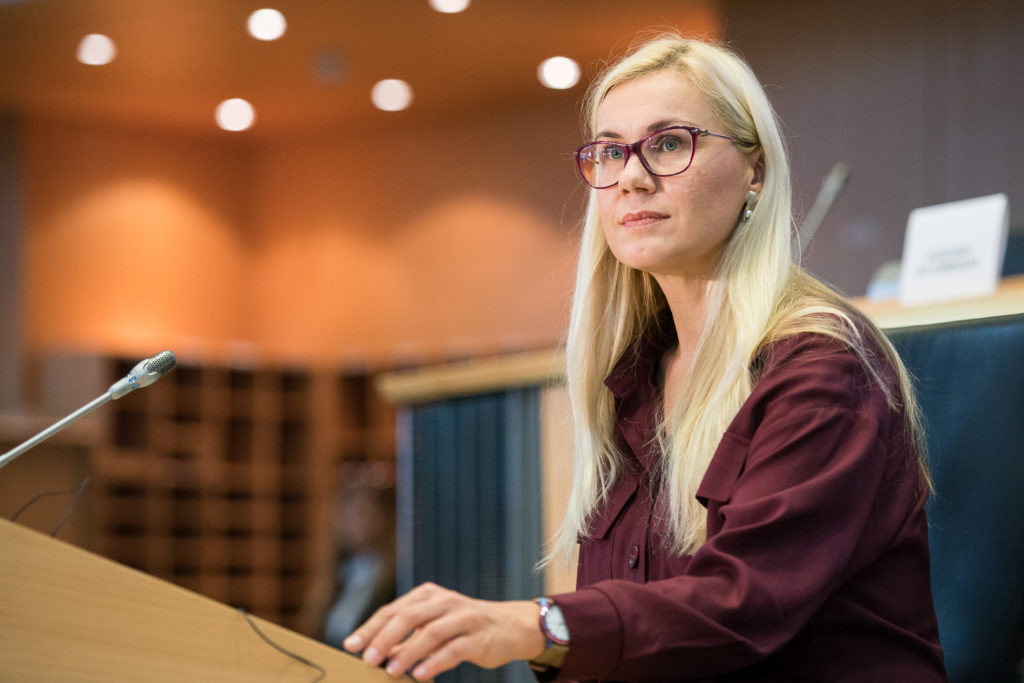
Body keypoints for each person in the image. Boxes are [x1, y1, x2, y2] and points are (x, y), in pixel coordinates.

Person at [343, 33, 947, 682]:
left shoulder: (825, 370)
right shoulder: (634, 379)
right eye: (610, 151)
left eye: (667, 143)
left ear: (756, 171)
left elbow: (741, 605)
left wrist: (535, 624)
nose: (631, 176)